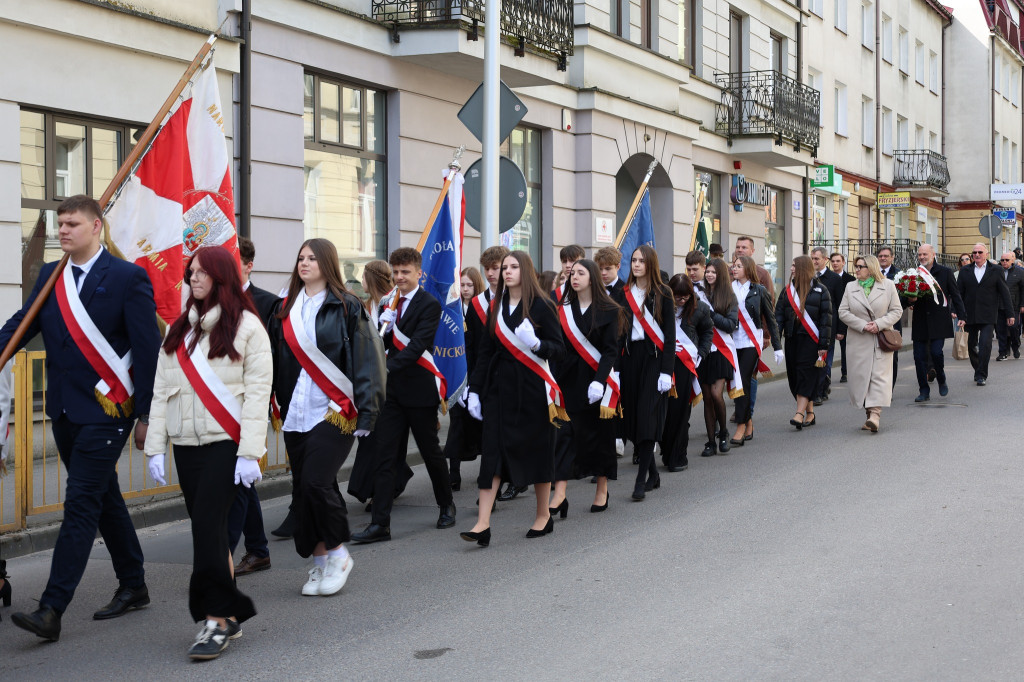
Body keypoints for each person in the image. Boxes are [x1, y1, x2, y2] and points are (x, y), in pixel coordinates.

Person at [2, 195, 160, 642]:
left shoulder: (128, 277)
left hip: (108, 411)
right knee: (103, 495)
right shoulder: (51, 275)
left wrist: (148, 413)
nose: (63, 231)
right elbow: (22, 323)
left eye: (72, 223)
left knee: (81, 502)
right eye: (60, 224)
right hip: (63, 409)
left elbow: (147, 350)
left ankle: (51, 609)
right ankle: (134, 583)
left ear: (96, 226)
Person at [143, 247, 269, 660]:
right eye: (190, 272)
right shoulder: (179, 328)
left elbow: (257, 394)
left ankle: (215, 621)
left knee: (207, 531)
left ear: (221, 276)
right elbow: (161, 391)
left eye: (201, 272)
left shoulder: (247, 326)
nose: (192, 278)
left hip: (225, 445)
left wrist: (250, 452)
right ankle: (230, 612)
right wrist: (155, 446)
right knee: (209, 531)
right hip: (186, 445)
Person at [268, 238, 386, 595]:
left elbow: (369, 360)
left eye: (312, 258)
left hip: (336, 410)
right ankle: (319, 561)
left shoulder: (347, 305)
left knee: (317, 482)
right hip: (296, 410)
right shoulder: (285, 308)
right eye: (301, 258)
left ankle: (338, 554)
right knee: (305, 489)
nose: (304, 263)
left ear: (327, 263)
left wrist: (368, 412)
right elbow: (274, 360)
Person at [351, 247, 457, 544]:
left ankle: (446, 504)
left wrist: (384, 369)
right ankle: (380, 524)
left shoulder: (429, 304)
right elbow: (378, 343)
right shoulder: (389, 302)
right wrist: (382, 327)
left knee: (430, 452)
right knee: (384, 456)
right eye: (396, 272)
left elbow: (417, 347)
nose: (399, 277)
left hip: (419, 390)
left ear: (419, 274)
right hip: (392, 393)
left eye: (405, 272)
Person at [461, 251, 566, 546]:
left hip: (532, 389)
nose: (506, 272)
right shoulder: (496, 306)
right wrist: (475, 390)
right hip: (499, 389)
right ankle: (482, 524)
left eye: (513, 267)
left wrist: (536, 344)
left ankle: (543, 515)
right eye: (504, 267)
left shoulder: (542, 305)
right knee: (492, 453)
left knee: (537, 451)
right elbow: (486, 352)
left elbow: (558, 349)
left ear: (526, 270)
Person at [551, 259, 624, 515]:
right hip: (568, 380)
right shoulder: (562, 309)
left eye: (580, 273)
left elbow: (610, 350)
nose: (574, 277)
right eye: (572, 273)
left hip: (596, 382)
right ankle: (560, 494)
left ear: (592, 278)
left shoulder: (609, 309)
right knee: (564, 436)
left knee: (599, 438)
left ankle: (602, 489)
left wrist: (599, 381)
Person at [346, 260, 413, 509]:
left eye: (364, 277)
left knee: (383, 439)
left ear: (371, 278)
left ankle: (382, 489)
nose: (361, 281)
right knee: (370, 437)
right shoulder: (366, 306)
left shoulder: (391, 304)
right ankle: (392, 479)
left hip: (390, 381)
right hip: (369, 381)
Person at [230, 236, 276, 575]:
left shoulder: (268, 303)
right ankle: (256, 549)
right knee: (238, 479)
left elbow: (273, 355)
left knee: (241, 478)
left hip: (253, 400)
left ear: (249, 265)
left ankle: (247, 551)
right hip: (220, 401)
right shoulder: (210, 301)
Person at [618, 245, 675, 500]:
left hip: (654, 359)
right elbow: (619, 334)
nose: (637, 264)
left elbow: (670, 336)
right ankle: (653, 474)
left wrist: (666, 371)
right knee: (633, 420)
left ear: (650, 264)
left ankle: (640, 480)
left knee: (647, 418)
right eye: (634, 260)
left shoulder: (663, 293)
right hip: (631, 360)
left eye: (641, 261)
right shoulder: (624, 293)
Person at [837, 255, 903, 433]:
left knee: (878, 378)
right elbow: (843, 311)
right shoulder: (851, 287)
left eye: (861, 267)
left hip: (881, 339)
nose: (857, 270)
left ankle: (875, 415)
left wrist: (879, 324)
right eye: (856, 266)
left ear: (871, 268)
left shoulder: (888, 285)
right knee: (861, 379)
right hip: (858, 340)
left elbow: (897, 310)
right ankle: (869, 415)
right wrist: (862, 325)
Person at [660, 275, 713, 472]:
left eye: (685, 297)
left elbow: (708, 332)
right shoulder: (661, 306)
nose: (681, 300)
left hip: (685, 366)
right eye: (677, 296)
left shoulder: (700, 308)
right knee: (664, 412)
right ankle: (666, 451)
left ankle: (678, 455)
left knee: (681, 412)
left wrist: (701, 353)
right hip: (663, 365)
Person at [729, 256, 782, 445]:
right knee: (735, 382)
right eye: (734, 266)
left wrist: (777, 347)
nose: (734, 269)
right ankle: (748, 420)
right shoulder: (728, 288)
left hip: (751, 342)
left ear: (748, 269)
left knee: (742, 381)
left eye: (738, 266)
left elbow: (770, 318)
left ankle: (741, 425)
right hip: (732, 342)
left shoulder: (759, 290)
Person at [775, 255, 832, 430]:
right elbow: (779, 317)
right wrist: (776, 342)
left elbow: (826, 320)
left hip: (811, 341)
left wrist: (823, 345)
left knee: (805, 375)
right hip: (792, 339)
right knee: (794, 376)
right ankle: (810, 412)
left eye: (794, 265)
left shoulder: (821, 291)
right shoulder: (787, 291)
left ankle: (799, 413)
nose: (791, 268)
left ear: (802, 268)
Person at [445, 267, 486, 490]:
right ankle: (454, 474)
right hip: (457, 373)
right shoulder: (452, 308)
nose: (466, 289)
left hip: (478, 371)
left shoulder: (482, 307)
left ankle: (487, 472)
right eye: (462, 285)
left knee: (481, 426)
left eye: (470, 285)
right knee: (457, 425)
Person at [907, 244, 965, 401]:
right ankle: (923, 390)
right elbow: (906, 297)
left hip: (939, 320)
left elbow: (955, 295)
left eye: (925, 254)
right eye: (919, 255)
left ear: (933, 255)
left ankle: (941, 377)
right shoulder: (914, 274)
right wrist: (909, 300)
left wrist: (962, 316)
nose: (922, 257)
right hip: (920, 321)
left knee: (936, 353)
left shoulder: (945, 272)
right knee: (919, 357)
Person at [696, 258, 739, 456]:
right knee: (707, 398)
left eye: (713, 272)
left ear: (720, 274)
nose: (709, 275)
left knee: (716, 394)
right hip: (704, 351)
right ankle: (711, 441)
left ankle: (723, 432)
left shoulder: (729, 296)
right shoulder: (699, 294)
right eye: (708, 272)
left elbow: (730, 325)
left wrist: (710, 314)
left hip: (721, 351)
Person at [956, 243, 1014, 386]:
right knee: (971, 345)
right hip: (969, 314)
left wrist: (1010, 314)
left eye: (980, 252)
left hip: (988, 314)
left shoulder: (996, 270)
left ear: (986, 254)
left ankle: (982, 374)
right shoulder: (965, 271)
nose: (976, 254)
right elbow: (959, 293)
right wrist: (957, 312)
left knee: (985, 345)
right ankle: (978, 368)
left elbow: (1005, 292)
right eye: (974, 252)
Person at [811, 246, 845, 404]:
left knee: (824, 360)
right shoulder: (808, 276)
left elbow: (841, 305)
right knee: (813, 361)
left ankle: (819, 391)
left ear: (825, 260)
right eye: (812, 258)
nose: (814, 261)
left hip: (829, 327)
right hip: (811, 326)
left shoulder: (835, 279)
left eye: (817, 259)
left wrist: (841, 329)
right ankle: (821, 386)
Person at [876, 246, 905, 390]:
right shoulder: (872, 274)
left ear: (892, 257)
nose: (883, 258)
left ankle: (889, 389)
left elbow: (903, 299)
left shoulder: (900, 275)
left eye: (886, 256)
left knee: (892, 355)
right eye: (880, 256)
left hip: (892, 321)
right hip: (874, 321)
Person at [829, 253, 856, 382]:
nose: (835, 263)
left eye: (838, 261)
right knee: (829, 348)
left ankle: (845, 372)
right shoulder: (828, 278)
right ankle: (826, 375)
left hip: (846, 318)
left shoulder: (850, 280)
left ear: (843, 262)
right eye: (833, 261)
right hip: (831, 318)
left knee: (845, 348)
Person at [995, 251, 1024, 361]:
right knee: (1000, 329)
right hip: (998, 305)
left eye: (1007, 260)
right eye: (1002, 260)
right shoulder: (996, 271)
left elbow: (1023, 290)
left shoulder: (1020, 272)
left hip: (1013, 306)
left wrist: (1022, 304)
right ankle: (1003, 352)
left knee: (1013, 327)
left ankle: (1015, 346)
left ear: (1012, 261)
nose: (1004, 262)